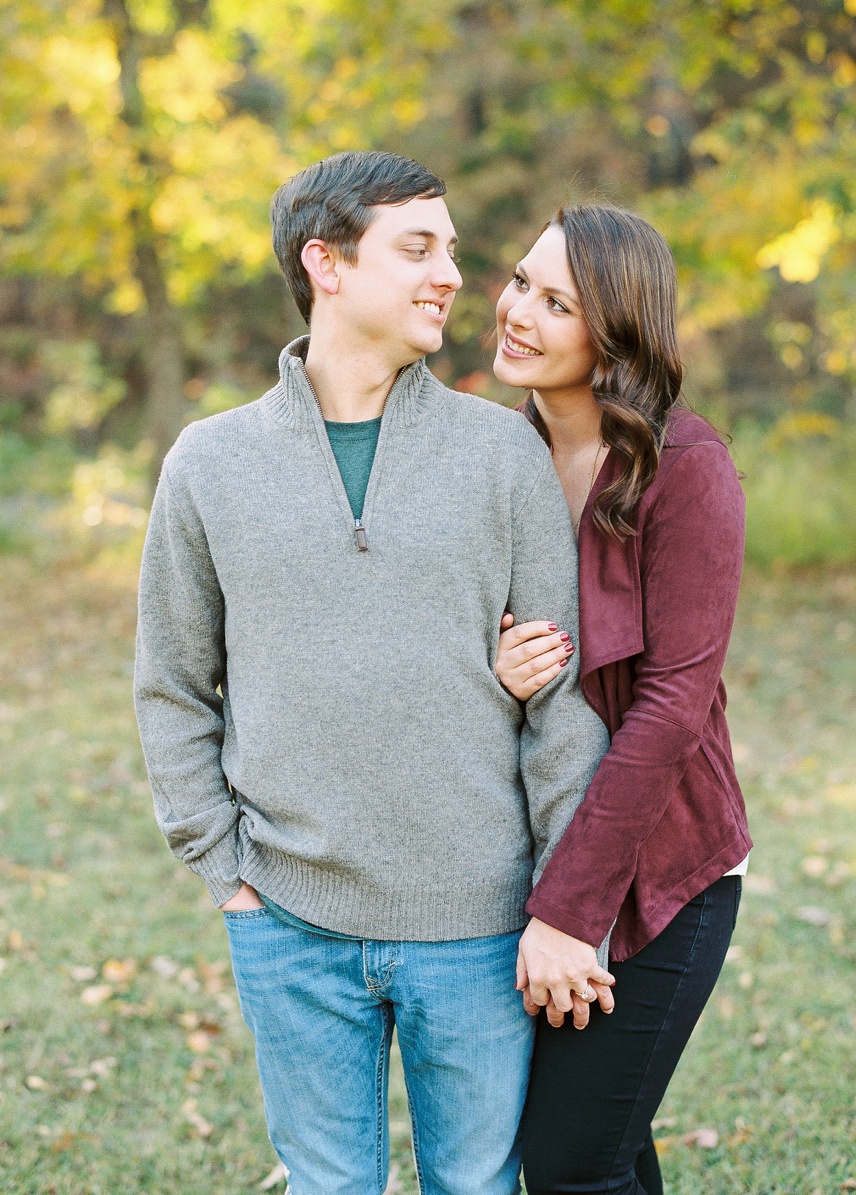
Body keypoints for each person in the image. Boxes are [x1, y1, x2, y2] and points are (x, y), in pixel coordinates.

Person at [133, 151, 609, 1195]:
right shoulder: (209, 465)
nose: (452, 274)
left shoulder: (503, 456)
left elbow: (563, 701)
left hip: (480, 925)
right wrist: (227, 871)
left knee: (478, 1187)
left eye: (450, 248)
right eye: (418, 248)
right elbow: (172, 684)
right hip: (290, 918)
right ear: (328, 264)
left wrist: (558, 896)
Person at [485, 203, 751, 1195]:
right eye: (520, 282)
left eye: (558, 303)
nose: (517, 311)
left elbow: (675, 705)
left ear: (615, 332)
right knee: (599, 1149)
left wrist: (566, 914)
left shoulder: (684, 467)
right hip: (534, 852)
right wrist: (494, 664)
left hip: (663, 871)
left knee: (567, 1165)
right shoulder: (494, 457)